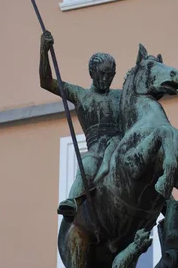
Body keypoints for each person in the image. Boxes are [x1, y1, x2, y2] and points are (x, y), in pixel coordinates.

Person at [39, 31, 121, 220]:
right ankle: (73, 201)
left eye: (111, 75)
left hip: (121, 144)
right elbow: (46, 82)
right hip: (97, 149)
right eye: (102, 74)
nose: (106, 79)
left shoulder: (119, 96)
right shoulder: (81, 95)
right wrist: (44, 51)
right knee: (87, 168)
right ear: (92, 72)